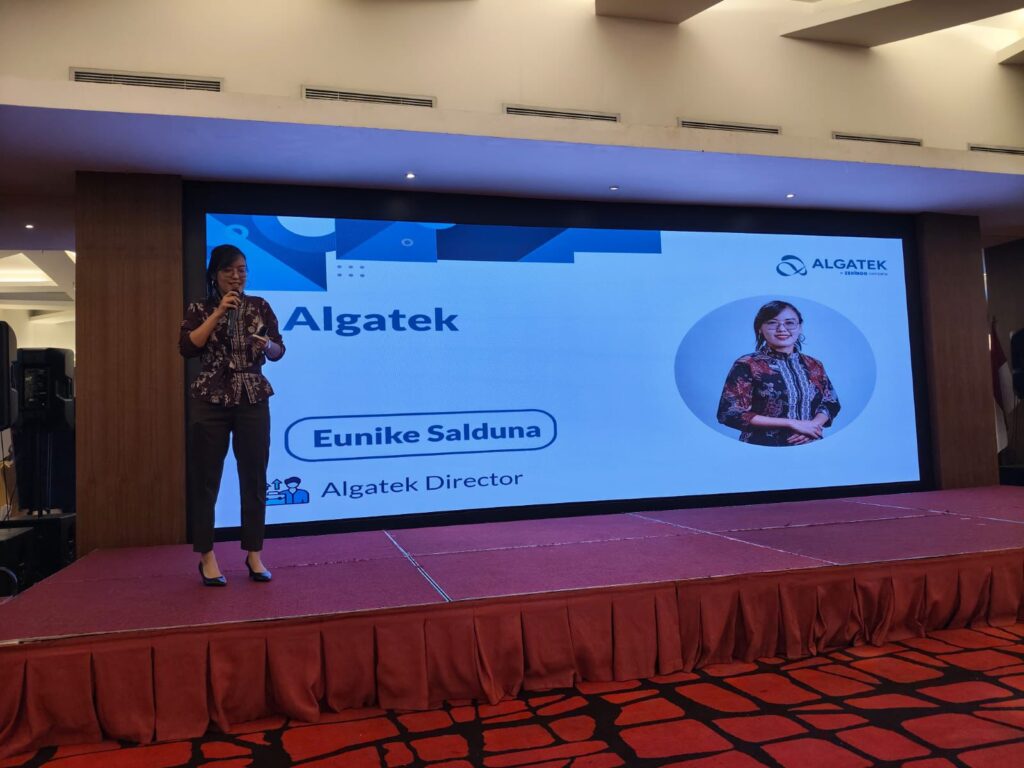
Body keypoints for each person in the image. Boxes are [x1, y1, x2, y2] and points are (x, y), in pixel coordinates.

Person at [179, 244, 285, 585]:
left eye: (242, 270)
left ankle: (254, 553)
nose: (237, 276)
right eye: (229, 270)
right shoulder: (200, 308)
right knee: (206, 477)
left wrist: (266, 345)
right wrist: (218, 314)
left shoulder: (260, 306)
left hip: (252, 396)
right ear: (215, 275)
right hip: (210, 397)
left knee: (254, 475)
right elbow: (188, 346)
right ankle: (206, 556)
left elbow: (279, 350)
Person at [717, 300, 840, 446]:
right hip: (762, 447)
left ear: (800, 327)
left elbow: (830, 402)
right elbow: (730, 412)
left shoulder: (814, 364)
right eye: (772, 323)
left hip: (811, 444)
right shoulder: (747, 364)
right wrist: (791, 423)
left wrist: (812, 426)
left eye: (790, 323)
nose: (781, 328)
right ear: (760, 328)